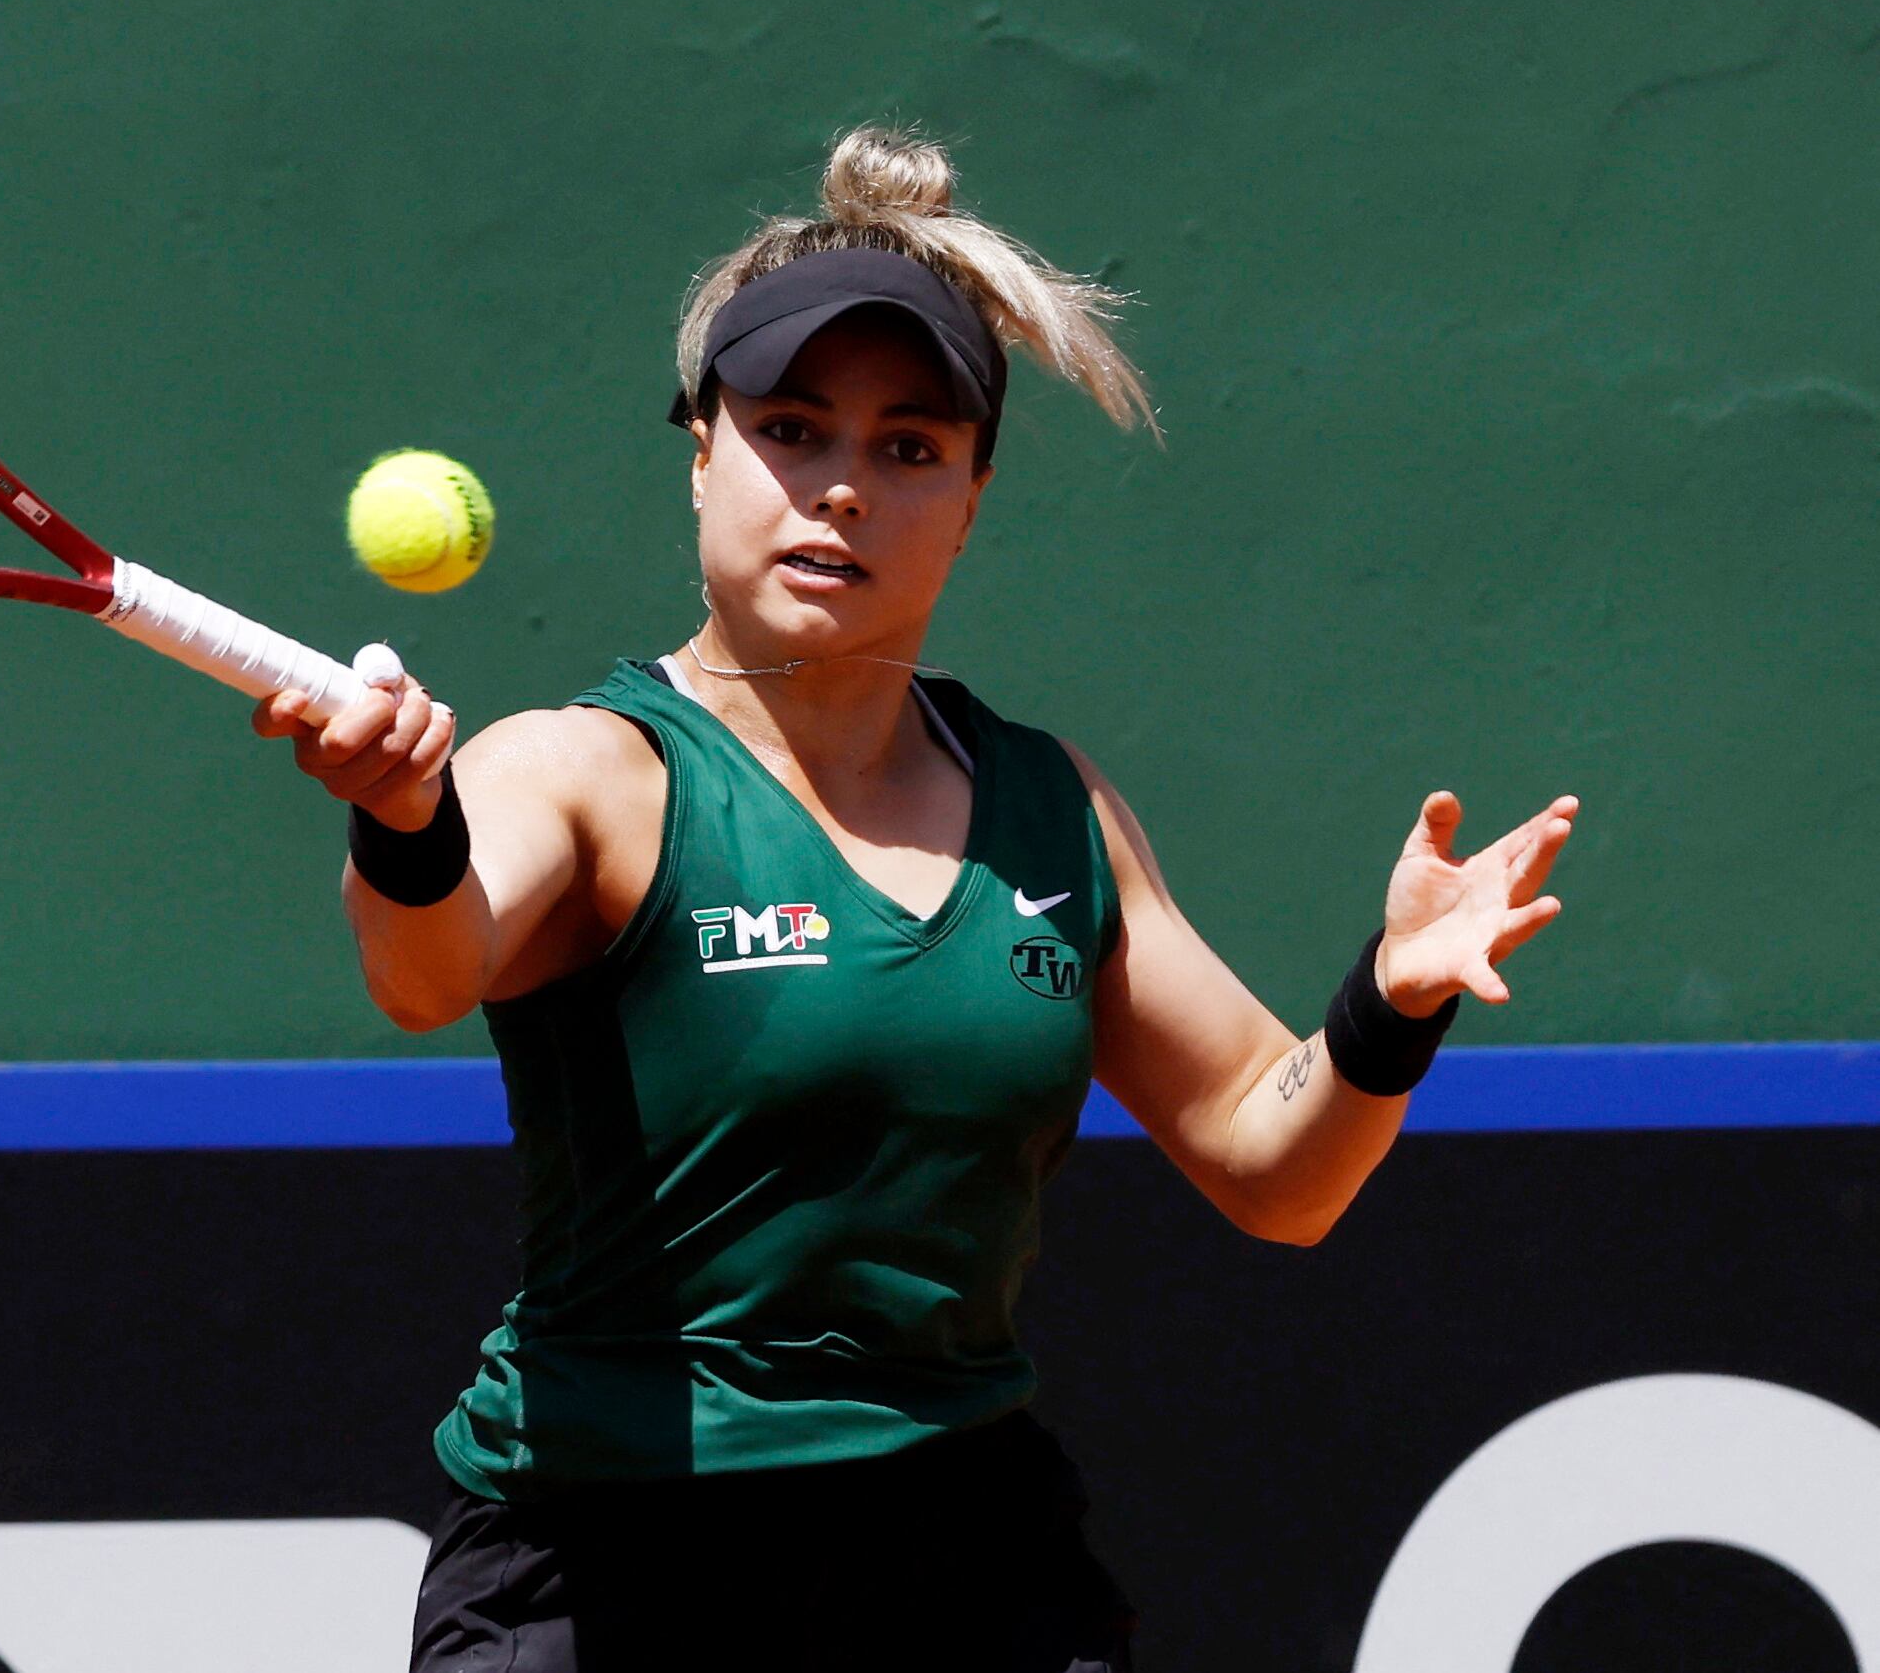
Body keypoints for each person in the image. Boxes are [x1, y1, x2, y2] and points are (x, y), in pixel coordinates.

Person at [254, 126, 1579, 1672]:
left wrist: (1389, 999)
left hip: (960, 1564)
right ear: (701, 454)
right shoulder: (587, 771)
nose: (840, 491)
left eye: (908, 449)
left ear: (969, 497)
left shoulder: (1050, 807)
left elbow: (1277, 1168)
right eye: (793, 430)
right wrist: (407, 823)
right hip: (614, 1562)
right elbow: (427, 969)